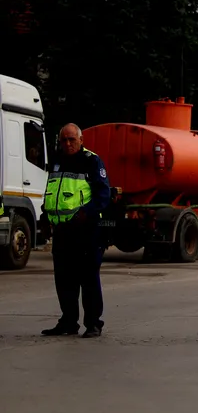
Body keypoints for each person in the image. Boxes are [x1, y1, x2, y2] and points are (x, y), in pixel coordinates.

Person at [40, 123, 112, 338]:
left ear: (81, 140)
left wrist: (86, 213)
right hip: (62, 231)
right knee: (64, 279)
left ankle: (93, 324)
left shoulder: (91, 161)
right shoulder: (57, 161)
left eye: (72, 139)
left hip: (86, 230)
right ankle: (68, 322)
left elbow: (103, 195)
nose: (68, 143)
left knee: (88, 279)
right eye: (64, 140)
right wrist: (45, 215)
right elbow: (52, 192)